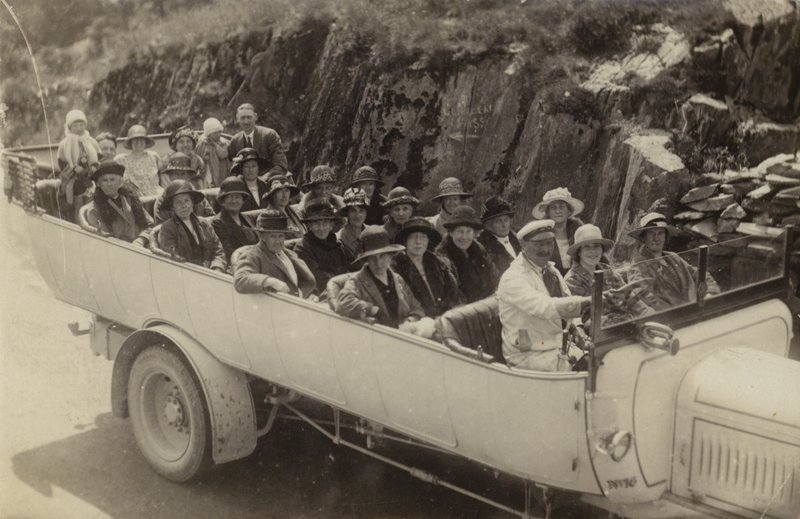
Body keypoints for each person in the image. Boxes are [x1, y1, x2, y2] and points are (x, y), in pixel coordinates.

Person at [498, 219, 589, 372]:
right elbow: (545, 307)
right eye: (539, 244)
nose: (546, 249)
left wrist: (577, 330)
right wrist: (587, 302)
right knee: (590, 369)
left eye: (549, 243)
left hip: (555, 345)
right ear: (523, 246)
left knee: (601, 358)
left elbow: (566, 301)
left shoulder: (551, 271)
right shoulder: (513, 277)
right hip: (528, 354)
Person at [335, 227, 426, 331]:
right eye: (373, 257)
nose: (378, 263)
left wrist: (410, 320)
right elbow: (343, 304)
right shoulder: (357, 281)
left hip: (402, 334)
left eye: (382, 256)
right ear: (366, 259)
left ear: (390, 256)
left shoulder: (398, 279)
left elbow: (417, 308)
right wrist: (372, 309)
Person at [627, 213, 720, 311]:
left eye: (660, 233)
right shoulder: (638, 264)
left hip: (694, 309)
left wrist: (710, 292)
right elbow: (643, 295)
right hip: (670, 316)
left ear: (665, 236)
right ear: (643, 238)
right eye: (651, 233)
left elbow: (700, 274)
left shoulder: (673, 257)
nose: (656, 238)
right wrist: (674, 313)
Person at [564, 224, 653, 326]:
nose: (593, 251)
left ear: (602, 249)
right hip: (598, 330)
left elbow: (630, 297)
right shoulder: (572, 280)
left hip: (624, 323)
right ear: (579, 252)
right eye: (587, 247)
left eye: (596, 246)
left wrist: (648, 313)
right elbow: (582, 319)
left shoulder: (607, 270)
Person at [233, 210, 317, 298]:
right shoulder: (253, 255)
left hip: (300, 301)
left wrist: (311, 294)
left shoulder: (288, 253)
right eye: (272, 236)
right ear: (262, 236)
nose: (278, 241)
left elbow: (302, 279)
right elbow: (240, 280)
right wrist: (269, 281)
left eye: (281, 236)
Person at [392, 217, 460, 318]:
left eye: (423, 237)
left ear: (428, 241)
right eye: (413, 237)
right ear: (405, 241)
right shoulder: (396, 267)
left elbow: (453, 294)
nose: (418, 241)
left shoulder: (439, 264)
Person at [157, 180, 226, 272]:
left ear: (192, 203)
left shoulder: (204, 224)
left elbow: (218, 251)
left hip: (211, 271)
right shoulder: (168, 228)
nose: (184, 206)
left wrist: (217, 268)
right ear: (172, 207)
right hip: (187, 273)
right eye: (178, 202)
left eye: (187, 201)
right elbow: (173, 259)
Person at [435, 205, 499, 303]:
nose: (464, 237)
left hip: (488, 303)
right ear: (451, 233)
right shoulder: (442, 258)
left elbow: (494, 278)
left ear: (474, 234)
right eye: (460, 231)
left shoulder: (479, 250)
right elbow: (454, 296)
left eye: (468, 231)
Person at [294, 200, 353, 295]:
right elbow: (318, 279)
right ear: (309, 226)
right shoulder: (302, 248)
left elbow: (350, 268)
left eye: (325, 223)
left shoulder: (337, 244)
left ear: (331, 225)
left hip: (342, 291)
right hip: (318, 296)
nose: (321, 228)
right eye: (316, 223)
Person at [86, 160, 152, 243]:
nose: (109, 184)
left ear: (120, 182)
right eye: (105, 180)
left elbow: (149, 224)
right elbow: (105, 238)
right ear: (99, 184)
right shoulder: (95, 209)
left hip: (140, 245)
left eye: (112, 180)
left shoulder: (131, 199)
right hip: (116, 248)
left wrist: (141, 240)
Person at [57, 109, 101, 222]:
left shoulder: (90, 141)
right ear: (70, 128)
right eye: (75, 126)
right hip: (74, 179)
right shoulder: (66, 143)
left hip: (89, 178)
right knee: (78, 202)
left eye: (81, 125)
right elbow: (61, 161)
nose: (79, 128)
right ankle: (78, 222)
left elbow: (98, 156)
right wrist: (73, 168)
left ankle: (91, 222)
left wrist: (94, 166)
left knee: (91, 202)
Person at [226, 103, 288, 177]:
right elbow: (232, 167)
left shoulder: (269, 135)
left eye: (249, 117)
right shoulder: (235, 140)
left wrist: (266, 177)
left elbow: (281, 165)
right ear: (237, 119)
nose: (246, 122)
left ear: (255, 117)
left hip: (269, 179)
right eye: (242, 118)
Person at [532, 187, 584, 275]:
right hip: (551, 278)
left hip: (578, 278)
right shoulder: (542, 234)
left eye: (562, 207)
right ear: (548, 213)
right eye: (553, 208)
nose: (558, 211)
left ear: (569, 211)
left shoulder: (578, 230)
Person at [152, 153, 215, 224]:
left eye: (183, 174)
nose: (179, 177)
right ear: (170, 176)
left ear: (189, 176)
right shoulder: (162, 200)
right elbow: (162, 226)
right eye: (176, 174)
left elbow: (211, 217)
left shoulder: (198, 197)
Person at [209, 176, 259, 263]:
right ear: (223, 201)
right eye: (230, 197)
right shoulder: (218, 223)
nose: (234, 201)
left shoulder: (246, 219)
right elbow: (227, 252)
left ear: (243, 200)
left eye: (237, 197)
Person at [477, 195, 521, 275]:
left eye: (506, 220)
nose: (504, 225)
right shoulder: (483, 247)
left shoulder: (519, 239)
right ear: (489, 225)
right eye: (498, 221)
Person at [115, 124, 162, 197]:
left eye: (141, 139)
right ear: (130, 142)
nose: (138, 141)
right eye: (135, 139)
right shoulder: (120, 159)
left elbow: (162, 175)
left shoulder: (153, 156)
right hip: (133, 197)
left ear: (146, 141)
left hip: (156, 196)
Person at [231, 148, 270, 212]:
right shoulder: (236, 188)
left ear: (258, 168)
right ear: (241, 169)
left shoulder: (264, 186)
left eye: (253, 166)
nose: (250, 169)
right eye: (247, 166)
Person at [195, 117, 230, 188]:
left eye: (219, 132)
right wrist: (204, 157)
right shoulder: (202, 143)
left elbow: (223, 154)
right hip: (207, 170)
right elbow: (197, 156)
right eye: (215, 133)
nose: (218, 134)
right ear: (208, 134)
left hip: (221, 170)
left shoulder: (224, 142)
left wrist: (215, 145)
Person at [336, 187, 368, 257]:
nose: (357, 215)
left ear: (366, 213)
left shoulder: (372, 232)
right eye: (353, 211)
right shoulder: (339, 240)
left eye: (361, 211)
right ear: (347, 213)